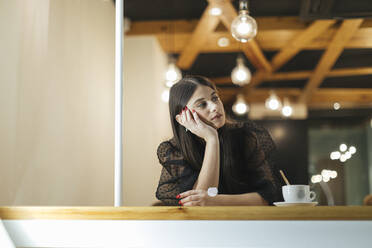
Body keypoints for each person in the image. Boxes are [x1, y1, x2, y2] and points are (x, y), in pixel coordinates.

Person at [155, 75, 282, 206]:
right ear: (182, 118)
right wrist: (212, 139)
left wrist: (216, 201)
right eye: (202, 104)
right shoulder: (173, 150)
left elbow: (269, 196)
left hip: (246, 222)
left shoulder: (246, 136)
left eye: (215, 98)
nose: (214, 106)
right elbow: (197, 207)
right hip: (201, 226)